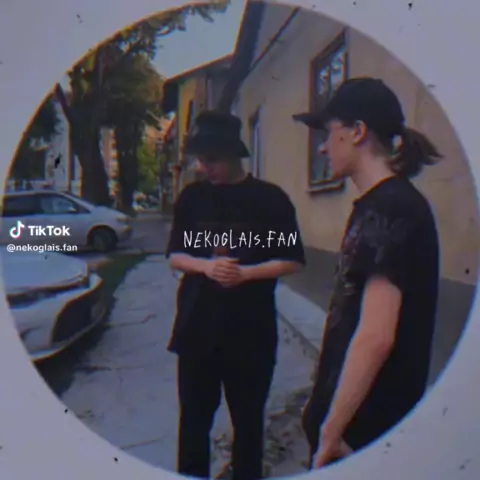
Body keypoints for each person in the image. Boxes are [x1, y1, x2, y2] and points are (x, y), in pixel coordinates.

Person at [292, 77, 441, 469]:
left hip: (361, 438)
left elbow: (375, 337)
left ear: (357, 131)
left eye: (328, 133)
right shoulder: (377, 205)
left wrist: (331, 430)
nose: (322, 147)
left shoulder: (392, 208)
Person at [166, 110, 306, 480]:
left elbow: (292, 260)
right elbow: (175, 256)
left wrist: (246, 274)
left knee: (248, 427)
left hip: (250, 335)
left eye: (211, 159)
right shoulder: (192, 198)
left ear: (233, 155)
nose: (203, 167)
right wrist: (206, 267)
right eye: (200, 159)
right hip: (197, 330)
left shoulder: (270, 200)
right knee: (193, 425)